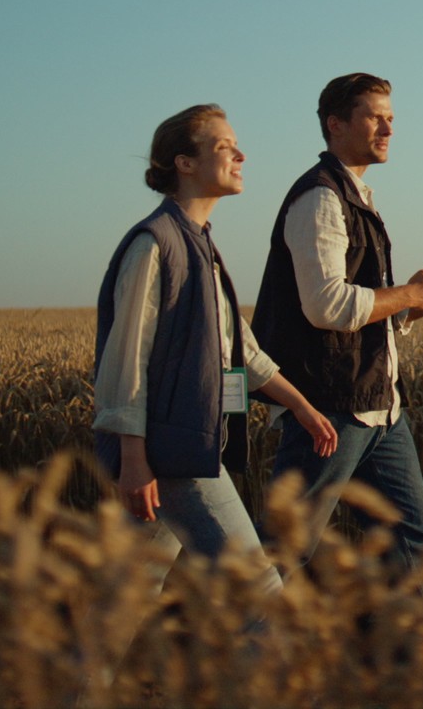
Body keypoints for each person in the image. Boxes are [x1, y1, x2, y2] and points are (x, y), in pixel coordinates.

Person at [250, 73, 423, 695]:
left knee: (418, 545)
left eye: (391, 118)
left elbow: (366, 324)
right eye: (374, 117)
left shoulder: (356, 195)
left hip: (379, 411)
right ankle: (220, 669)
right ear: (335, 123)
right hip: (328, 411)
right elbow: (327, 307)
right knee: (284, 551)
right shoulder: (320, 199)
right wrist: (410, 291)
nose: (388, 128)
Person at [92, 103, 339, 601]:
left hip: (182, 446)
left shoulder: (200, 244)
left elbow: (239, 350)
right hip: (174, 453)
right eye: (225, 147)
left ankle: (71, 682)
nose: (241, 154)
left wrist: (300, 405)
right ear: (184, 163)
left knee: (125, 601)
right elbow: (125, 361)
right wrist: (133, 459)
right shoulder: (154, 244)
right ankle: (266, 682)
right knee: (260, 595)